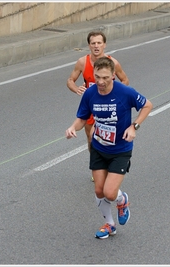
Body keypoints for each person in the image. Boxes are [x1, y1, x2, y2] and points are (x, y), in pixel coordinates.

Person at [65, 57, 152, 239]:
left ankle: (122, 200)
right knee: (98, 191)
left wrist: (134, 126)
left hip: (120, 149)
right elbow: (82, 118)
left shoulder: (125, 92)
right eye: (97, 77)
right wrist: (73, 127)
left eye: (105, 78)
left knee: (110, 193)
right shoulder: (90, 93)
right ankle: (110, 224)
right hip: (98, 146)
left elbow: (147, 105)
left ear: (113, 76)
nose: (100, 82)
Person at [67, 31, 129, 181]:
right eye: (93, 43)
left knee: (107, 137)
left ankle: (110, 165)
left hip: (108, 107)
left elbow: (125, 80)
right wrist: (77, 89)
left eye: (99, 43)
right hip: (91, 106)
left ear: (104, 45)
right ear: (89, 45)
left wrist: (115, 96)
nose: (96, 46)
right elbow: (70, 80)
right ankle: (98, 167)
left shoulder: (112, 62)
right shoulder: (82, 62)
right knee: (91, 139)